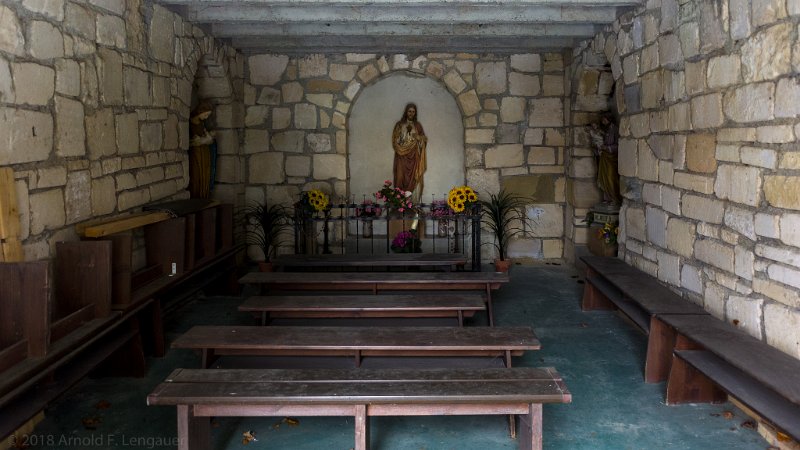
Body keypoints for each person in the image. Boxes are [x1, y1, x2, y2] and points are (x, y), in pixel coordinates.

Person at [391, 103, 427, 202]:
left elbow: (424, 139)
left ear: (415, 113)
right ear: (406, 112)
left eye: (413, 112)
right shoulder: (399, 124)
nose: (411, 113)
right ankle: (399, 201)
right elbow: (394, 140)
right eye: (409, 111)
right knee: (400, 176)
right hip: (401, 155)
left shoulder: (417, 125)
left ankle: (412, 202)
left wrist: (418, 137)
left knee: (413, 176)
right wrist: (400, 145)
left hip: (414, 154)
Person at [586, 115, 621, 205]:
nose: (602, 121)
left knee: (610, 177)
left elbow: (619, 145)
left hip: (611, 159)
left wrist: (608, 148)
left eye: (604, 119)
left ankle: (614, 198)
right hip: (604, 157)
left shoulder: (614, 129)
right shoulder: (604, 130)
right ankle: (607, 198)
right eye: (602, 120)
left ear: (608, 119)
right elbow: (599, 141)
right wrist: (598, 148)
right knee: (603, 177)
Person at [189, 101, 215, 199]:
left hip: (204, 154)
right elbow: (191, 141)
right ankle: (195, 198)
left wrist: (206, 139)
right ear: (200, 111)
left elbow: (208, 138)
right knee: (196, 177)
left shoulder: (202, 124)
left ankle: (203, 197)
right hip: (195, 155)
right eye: (206, 114)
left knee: (204, 177)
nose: (206, 117)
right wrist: (200, 141)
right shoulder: (190, 123)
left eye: (208, 115)